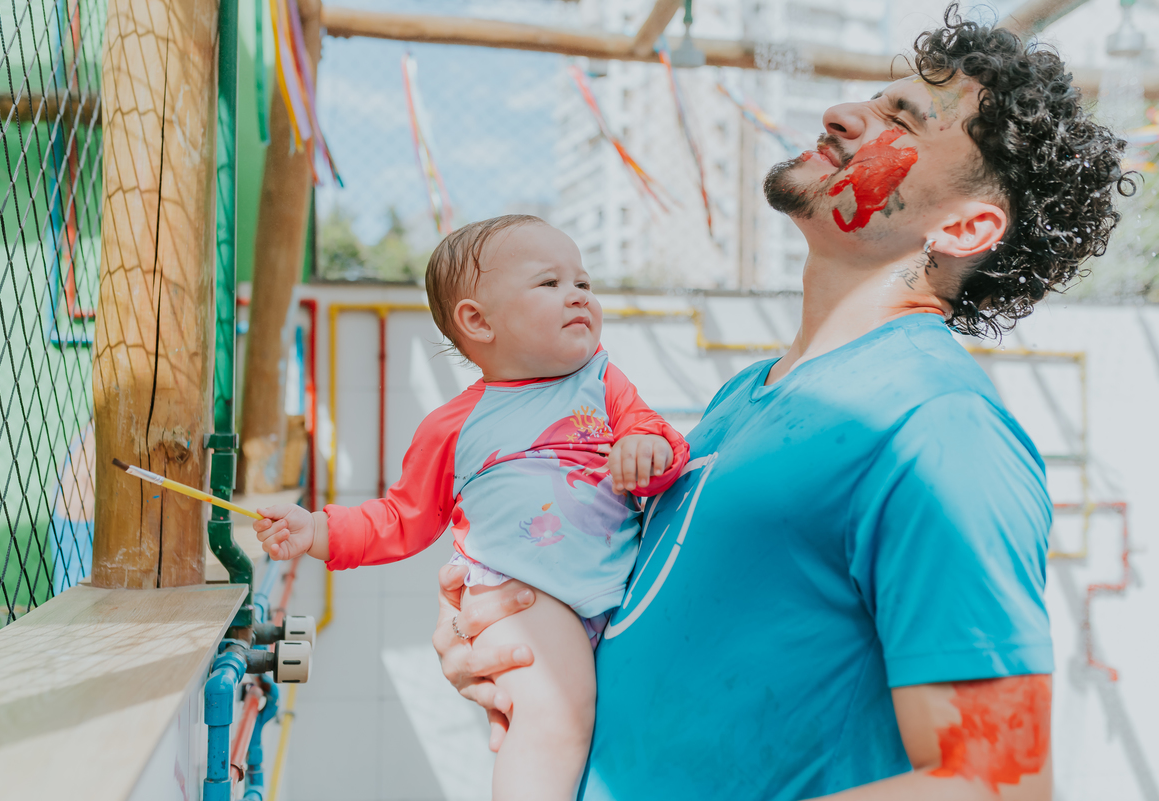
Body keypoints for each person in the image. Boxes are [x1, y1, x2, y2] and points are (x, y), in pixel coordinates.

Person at [432, 7, 1133, 800]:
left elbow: (998, 781)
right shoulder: (745, 397)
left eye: (901, 119)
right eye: (875, 100)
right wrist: (512, 639)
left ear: (965, 226)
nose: (841, 114)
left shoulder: (938, 430)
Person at [253, 215, 689, 801]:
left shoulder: (603, 381)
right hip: (525, 594)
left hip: (612, 591)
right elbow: (400, 518)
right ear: (477, 320)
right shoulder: (453, 426)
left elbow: (657, 439)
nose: (579, 295)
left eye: (583, 282)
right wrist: (316, 529)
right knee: (555, 719)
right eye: (550, 284)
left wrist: (647, 448)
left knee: (599, 727)